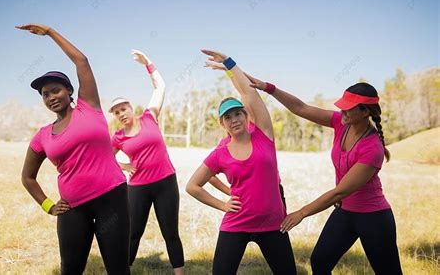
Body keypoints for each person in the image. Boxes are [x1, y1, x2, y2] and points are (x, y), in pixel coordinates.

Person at [245, 74, 402, 274]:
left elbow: (339, 192)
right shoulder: (340, 123)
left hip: (373, 217)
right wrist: (268, 88)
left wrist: (301, 213)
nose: (342, 110)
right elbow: (301, 108)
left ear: (365, 111)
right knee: (320, 261)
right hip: (345, 213)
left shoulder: (372, 149)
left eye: (349, 107)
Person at [18, 24, 130, 275]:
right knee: (70, 269)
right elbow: (27, 177)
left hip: (111, 199)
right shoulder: (42, 136)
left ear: (69, 91)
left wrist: (49, 32)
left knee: (118, 269)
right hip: (72, 208)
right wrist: (47, 205)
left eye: (55, 90)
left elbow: (82, 61)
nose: (50, 97)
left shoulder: (88, 107)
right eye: (45, 95)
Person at [186, 49, 297, 275]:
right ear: (222, 124)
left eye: (238, 114)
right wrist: (223, 204)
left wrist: (229, 64)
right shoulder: (220, 153)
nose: (234, 119)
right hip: (237, 223)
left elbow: (249, 94)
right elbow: (192, 186)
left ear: (247, 116)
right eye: (228, 117)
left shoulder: (264, 135)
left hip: (272, 223)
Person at [109, 50, 184, 274]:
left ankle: (179, 273)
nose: (121, 114)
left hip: (166, 184)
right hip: (138, 189)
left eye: (123, 109)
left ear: (131, 108)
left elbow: (160, 88)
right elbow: (104, 159)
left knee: (170, 232)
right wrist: (123, 166)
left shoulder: (149, 117)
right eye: (116, 112)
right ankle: (124, 270)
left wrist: (148, 64)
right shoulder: (118, 138)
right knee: (133, 233)